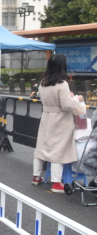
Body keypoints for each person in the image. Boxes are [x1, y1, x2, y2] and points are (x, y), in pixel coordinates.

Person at [32, 54, 83, 192]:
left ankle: (36, 176)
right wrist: (77, 99)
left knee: (42, 146)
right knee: (57, 149)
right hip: (60, 119)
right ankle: (56, 183)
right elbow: (67, 106)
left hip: (46, 116)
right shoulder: (62, 83)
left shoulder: (43, 82)